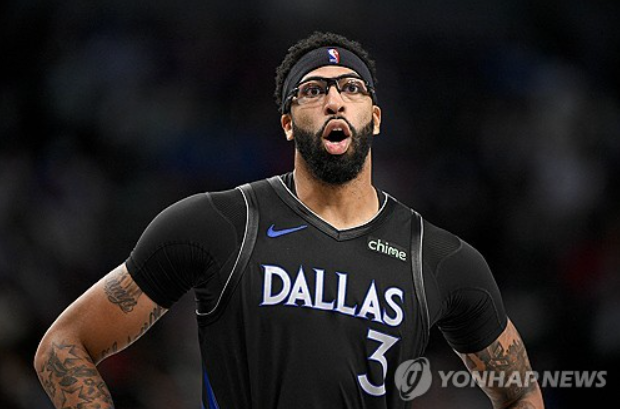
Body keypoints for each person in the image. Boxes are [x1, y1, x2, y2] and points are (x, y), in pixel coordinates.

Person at [34, 32, 544, 408]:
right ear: (287, 123)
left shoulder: (438, 258)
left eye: (351, 87)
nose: (334, 100)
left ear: (375, 118)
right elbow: (62, 345)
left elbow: (521, 392)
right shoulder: (220, 223)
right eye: (312, 90)